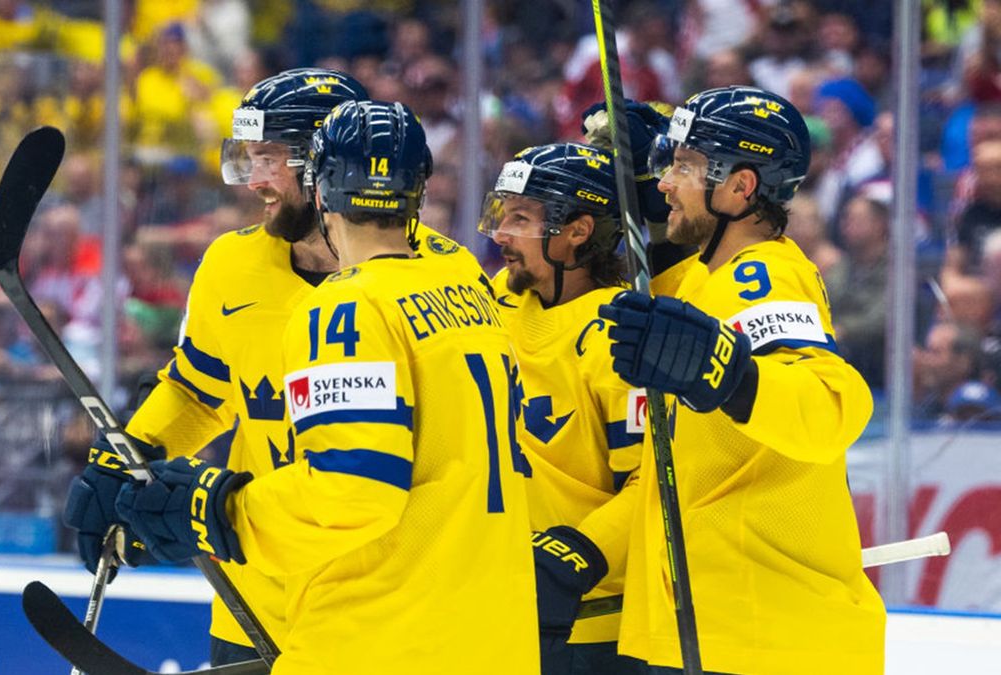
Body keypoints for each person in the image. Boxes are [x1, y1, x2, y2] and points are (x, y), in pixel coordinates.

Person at [60, 67, 477, 666]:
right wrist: (129, 458)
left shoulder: (441, 273)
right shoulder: (231, 264)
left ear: (324, 161)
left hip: (382, 591)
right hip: (256, 588)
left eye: (270, 158)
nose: (253, 181)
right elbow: (199, 393)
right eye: (246, 159)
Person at [598, 86, 885, 673]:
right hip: (719, 625)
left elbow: (829, 410)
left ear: (741, 187)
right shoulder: (703, 277)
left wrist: (731, 377)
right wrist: (638, 148)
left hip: (766, 633)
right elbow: (640, 264)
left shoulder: (762, 276)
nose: (665, 184)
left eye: (684, 168)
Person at [478, 141, 651, 675]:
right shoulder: (495, 300)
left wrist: (574, 556)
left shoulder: (623, 336)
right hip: (490, 605)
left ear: (577, 231)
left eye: (522, 219)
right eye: (501, 215)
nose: (501, 235)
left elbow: (653, 482)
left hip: (590, 624)